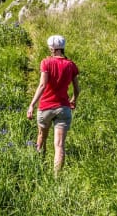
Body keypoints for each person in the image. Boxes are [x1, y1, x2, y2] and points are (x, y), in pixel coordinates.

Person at [27, 35, 80, 174]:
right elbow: (77, 88)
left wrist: (32, 104)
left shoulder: (46, 62)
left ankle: (39, 165)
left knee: (42, 137)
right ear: (62, 48)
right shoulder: (71, 65)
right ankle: (56, 178)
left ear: (51, 48)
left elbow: (43, 84)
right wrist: (74, 99)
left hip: (46, 107)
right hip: (63, 108)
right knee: (59, 145)